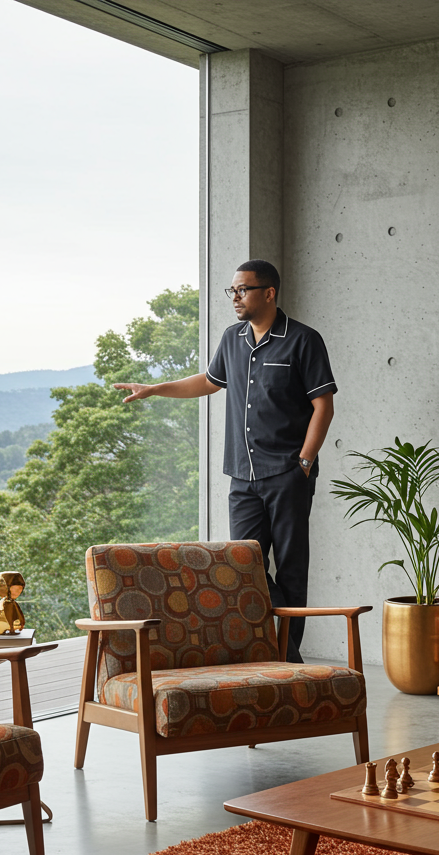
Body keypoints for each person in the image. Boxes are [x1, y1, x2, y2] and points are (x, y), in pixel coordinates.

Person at [114, 260, 336, 662]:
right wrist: (155, 389)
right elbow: (208, 381)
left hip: (287, 474)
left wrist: (303, 463)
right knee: (244, 569)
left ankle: (285, 659)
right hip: (242, 476)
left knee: (290, 570)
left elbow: (323, 406)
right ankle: (283, 657)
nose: (234, 298)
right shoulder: (232, 338)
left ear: (268, 293)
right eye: (231, 290)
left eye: (243, 290)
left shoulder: (303, 340)